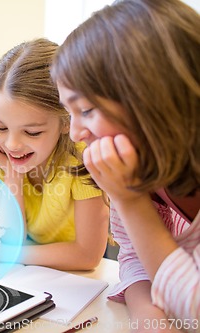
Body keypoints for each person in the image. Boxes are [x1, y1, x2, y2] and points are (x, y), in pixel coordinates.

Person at [52, 0, 199, 330]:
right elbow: (133, 256)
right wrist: (148, 312)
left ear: (153, 99)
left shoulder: (128, 184)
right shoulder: (134, 166)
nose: (75, 132)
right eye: (69, 112)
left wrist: (129, 200)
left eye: (87, 109)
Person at [0, 38, 109, 271]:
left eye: (32, 132)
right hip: (31, 273)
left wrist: (10, 254)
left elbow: (88, 256)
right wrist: (13, 175)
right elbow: (11, 240)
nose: (12, 144)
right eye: (0, 127)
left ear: (67, 121)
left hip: (76, 279)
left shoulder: (83, 159)